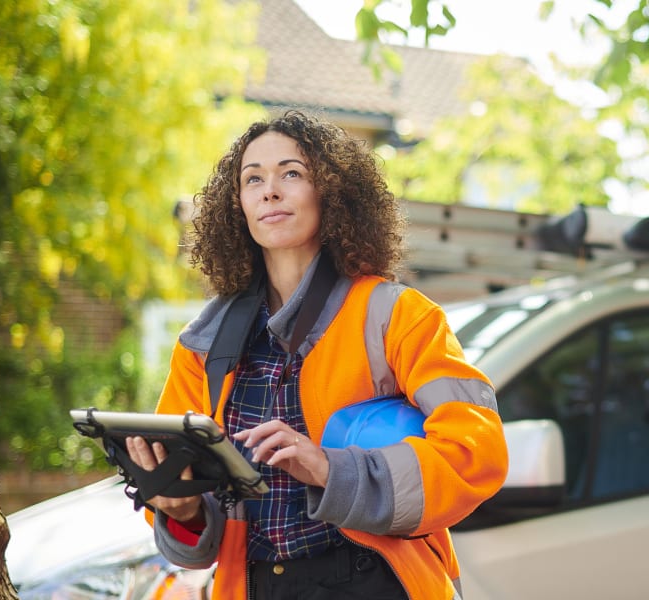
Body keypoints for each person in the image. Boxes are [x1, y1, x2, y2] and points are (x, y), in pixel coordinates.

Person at [124, 110, 509, 600]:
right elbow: (201, 538)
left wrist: (330, 469)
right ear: (237, 204)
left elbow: (478, 452)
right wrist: (179, 508)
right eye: (253, 179)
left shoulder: (397, 315)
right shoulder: (201, 344)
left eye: (291, 173)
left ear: (330, 193)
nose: (270, 190)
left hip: (378, 583)